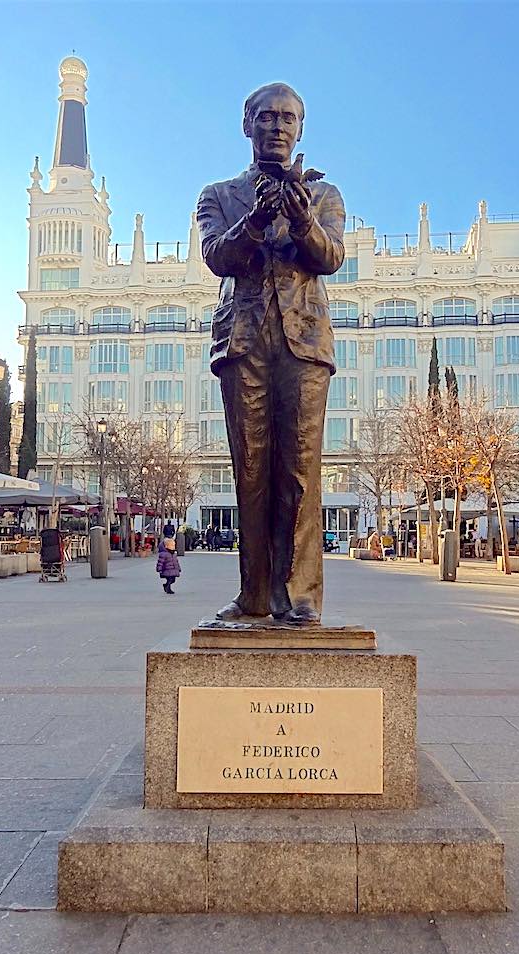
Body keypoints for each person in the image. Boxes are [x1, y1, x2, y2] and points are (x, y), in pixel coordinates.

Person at [197, 82, 345, 626]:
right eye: (267, 117)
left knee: (300, 470)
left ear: (300, 129)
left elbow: (330, 258)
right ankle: (254, 594)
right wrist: (257, 217)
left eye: (288, 118)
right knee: (251, 471)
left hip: (303, 343)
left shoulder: (324, 195)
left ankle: (300, 596)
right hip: (243, 340)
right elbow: (218, 256)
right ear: (247, 124)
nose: (278, 126)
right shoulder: (218, 194)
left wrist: (302, 219)